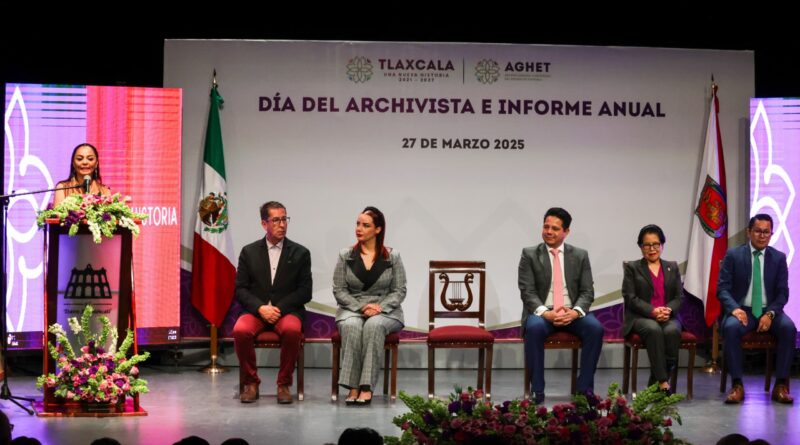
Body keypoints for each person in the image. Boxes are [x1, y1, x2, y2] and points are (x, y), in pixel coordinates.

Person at [519, 207, 604, 404]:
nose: (549, 231)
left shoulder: (580, 255)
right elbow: (527, 291)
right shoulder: (529, 254)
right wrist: (546, 313)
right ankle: (537, 391)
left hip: (571, 312)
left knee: (595, 329)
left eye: (555, 228)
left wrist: (575, 312)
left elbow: (587, 291)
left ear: (566, 231)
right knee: (534, 328)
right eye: (546, 227)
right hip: (543, 312)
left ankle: (584, 391)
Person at [232, 201, 312, 404]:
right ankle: (251, 382)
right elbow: (240, 289)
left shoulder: (301, 253)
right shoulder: (249, 252)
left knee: (292, 330)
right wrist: (260, 308)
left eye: (284, 219)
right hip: (256, 311)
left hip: (286, 311)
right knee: (240, 330)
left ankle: (283, 384)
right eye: (276, 220)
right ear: (264, 224)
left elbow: (305, 291)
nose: (282, 224)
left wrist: (278, 309)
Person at [718, 213, 796, 404]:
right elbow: (722, 289)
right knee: (731, 328)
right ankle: (737, 385)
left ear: (771, 234)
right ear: (749, 232)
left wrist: (770, 313)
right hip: (742, 310)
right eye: (758, 231)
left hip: (769, 311)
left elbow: (783, 293)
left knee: (789, 329)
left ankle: (780, 386)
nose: (762, 236)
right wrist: (734, 309)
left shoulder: (778, 258)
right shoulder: (734, 255)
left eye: (766, 232)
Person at [333, 207, 406, 405]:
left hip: (386, 310)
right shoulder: (346, 255)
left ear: (378, 229)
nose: (359, 229)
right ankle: (352, 387)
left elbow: (399, 290)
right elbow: (339, 290)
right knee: (351, 326)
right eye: (358, 224)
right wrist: (361, 307)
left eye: (365, 225)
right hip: (352, 308)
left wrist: (379, 307)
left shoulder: (393, 256)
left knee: (374, 326)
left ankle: (366, 387)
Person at [621, 224, 683, 393]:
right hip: (641, 317)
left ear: (662, 245)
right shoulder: (632, 268)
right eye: (647, 245)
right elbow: (630, 297)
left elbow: (679, 297)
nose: (652, 249)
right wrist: (653, 311)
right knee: (653, 329)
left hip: (667, 316)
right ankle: (663, 381)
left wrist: (668, 310)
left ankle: (655, 383)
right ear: (641, 247)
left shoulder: (672, 267)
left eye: (656, 244)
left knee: (671, 331)